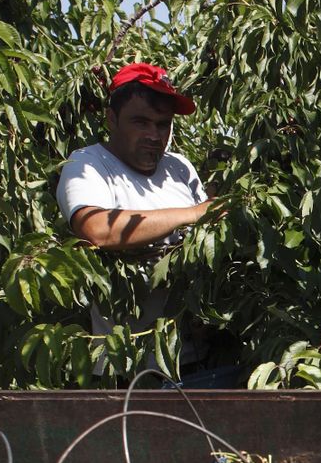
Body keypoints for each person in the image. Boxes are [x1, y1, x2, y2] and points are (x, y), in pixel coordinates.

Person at [56, 62, 217, 374]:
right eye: (141, 122)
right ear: (112, 119)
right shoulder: (88, 165)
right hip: (128, 367)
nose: (154, 136)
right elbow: (97, 229)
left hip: (193, 360)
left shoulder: (179, 168)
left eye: (162, 125)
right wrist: (193, 214)